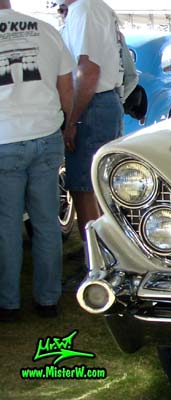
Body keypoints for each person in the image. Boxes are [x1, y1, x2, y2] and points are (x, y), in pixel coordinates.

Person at [0, 0, 75, 321]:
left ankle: (9, 304)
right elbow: (65, 86)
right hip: (45, 135)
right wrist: (67, 123)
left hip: (5, 139)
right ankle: (47, 301)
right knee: (46, 223)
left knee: (7, 226)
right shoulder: (46, 31)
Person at [59, 0, 124, 248]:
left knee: (87, 189)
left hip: (92, 105)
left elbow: (88, 69)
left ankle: (95, 263)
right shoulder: (91, 8)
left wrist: (71, 120)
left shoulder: (85, 9)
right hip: (99, 103)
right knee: (96, 190)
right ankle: (101, 260)